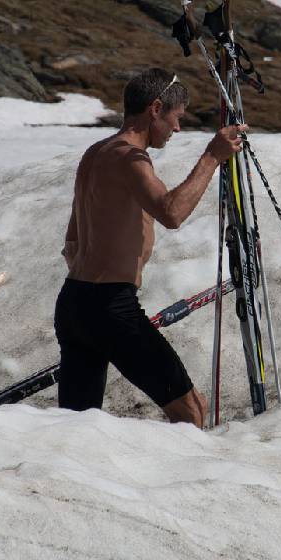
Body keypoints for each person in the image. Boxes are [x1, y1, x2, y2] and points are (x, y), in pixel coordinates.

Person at [54, 67, 246, 427]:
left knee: (76, 430)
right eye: (177, 118)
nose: (178, 129)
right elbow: (171, 213)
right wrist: (212, 157)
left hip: (74, 303)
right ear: (155, 109)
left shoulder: (96, 152)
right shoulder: (131, 158)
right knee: (191, 412)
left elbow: (72, 243)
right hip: (110, 306)